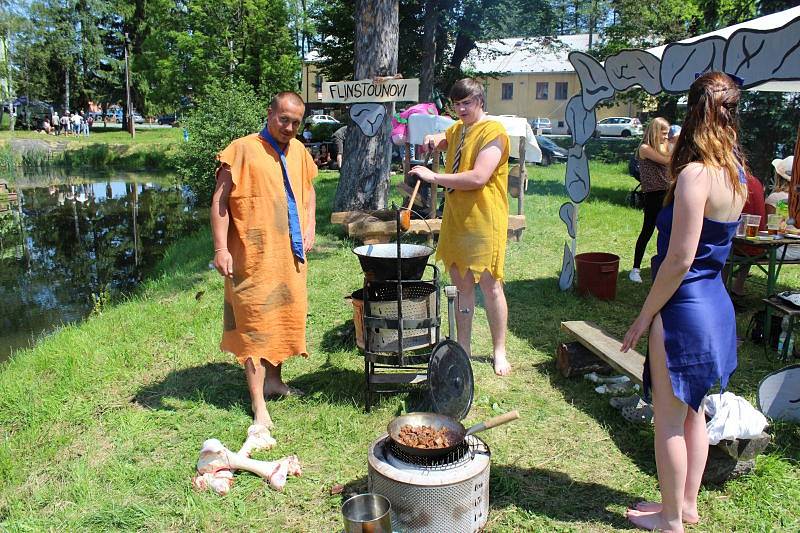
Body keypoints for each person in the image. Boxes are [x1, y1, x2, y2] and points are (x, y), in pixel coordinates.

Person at [621, 72, 748, 532]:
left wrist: (645, 315)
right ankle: (684, 506)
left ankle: (671, 520)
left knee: (669, 420)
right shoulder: (735, 173)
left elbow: (677, 260)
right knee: (694, 409)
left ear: (694, 113)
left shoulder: (696, 174)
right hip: (714, 302)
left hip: (685, 306)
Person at [210, 91, 317, 430]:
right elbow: (219, 201)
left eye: (296, 123)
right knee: (254, 325)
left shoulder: (299, 151)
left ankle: (274, 382)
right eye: (283, 119)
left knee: (283, 316)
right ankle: (258, 405)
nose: (289, 127)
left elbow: (309, 189)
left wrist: (310, 226)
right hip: (251, 257)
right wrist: (220, 249)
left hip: (288, 256)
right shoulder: (242, 149)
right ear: (269, 113)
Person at [409, 78, 512, 376]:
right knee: (463, 285)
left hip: (484, 217)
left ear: (480, 101)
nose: (461, 108)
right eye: (457, 104)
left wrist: (434, 177)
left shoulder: (494, 132)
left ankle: (499, 350)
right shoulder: (459, 128)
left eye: (467, 102)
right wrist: (433, 138)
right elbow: (446, 137)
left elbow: (479, 177)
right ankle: (464, 348)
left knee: (491, 287)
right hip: (456, 216)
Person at [629, 117, 672, 283]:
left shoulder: (665, 146)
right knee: (647, 230)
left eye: (668, 134)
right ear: (655, 132)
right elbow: (666, 160)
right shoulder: (645, 148)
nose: (666, 137)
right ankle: (635, 269)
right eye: (664, 133)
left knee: (668, 230)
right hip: (654, 194)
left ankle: (665, 265)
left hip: (669, 193)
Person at [729, 172, 767, 297]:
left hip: (739, 247)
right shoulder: (756, 181)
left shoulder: (731, 180)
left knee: (725, 247)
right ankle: (738, 286)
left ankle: (722, 288)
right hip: (760, 248)